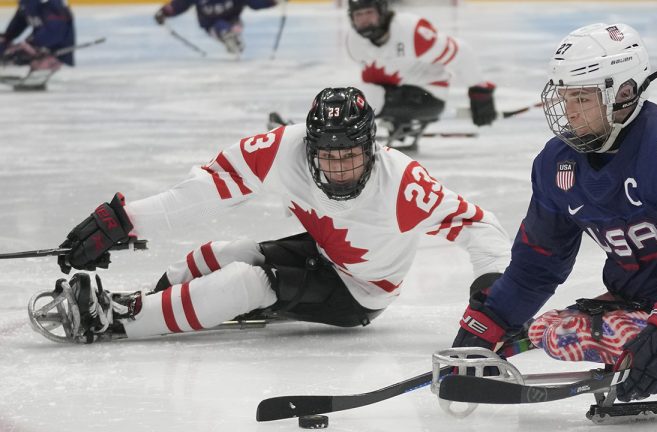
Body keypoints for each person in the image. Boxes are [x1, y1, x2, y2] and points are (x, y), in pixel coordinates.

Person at [47, 87, 511, 344]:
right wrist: (123, 220)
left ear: (372, 147)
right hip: (328, 254)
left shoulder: (402, 184)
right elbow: (204, 192)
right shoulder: (281, 149)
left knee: (248, 282)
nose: (338, 167)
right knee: (225, 252)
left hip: (364, 292)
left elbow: (479, 225)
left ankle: (122, 321)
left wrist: (492, 289)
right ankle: (152, 298)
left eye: (350, 154)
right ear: (307, 147)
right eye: (326, 155)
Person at [451, 23, 657, 403]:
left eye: (582, 98)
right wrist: (491, 320)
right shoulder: (556, 163)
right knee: (552, 332)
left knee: (564, 335)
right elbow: (538, 264)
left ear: (625, 93)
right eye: (565, 98)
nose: (569, 113)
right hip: (630, 302)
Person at [345, 0, 497, 150]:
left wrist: (479, 91)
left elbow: (461, 52)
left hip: (428, 96)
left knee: (361, 101)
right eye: (359, 14)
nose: (364, 20)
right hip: (395, 92)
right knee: (353, 98)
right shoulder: (354, 41)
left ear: (382, 11)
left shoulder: (412, 32)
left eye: (369, 13)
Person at [153, 0, 276, 55]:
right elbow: (180, 4)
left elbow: (255, 2)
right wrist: (164, 12)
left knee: (231, 27)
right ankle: (229, 37)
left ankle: (232, 37)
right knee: (220, 27)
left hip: (232, 21)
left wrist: (272, 1)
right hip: (210, 25)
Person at [0, 0, 75, 89]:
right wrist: (6, 38)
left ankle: (46, 64)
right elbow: (19, 22)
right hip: (41, 43)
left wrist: (32, 45)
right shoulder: (27, 3)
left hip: (55, 48)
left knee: (19, 55)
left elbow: (56, 31)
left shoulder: (50, 4)